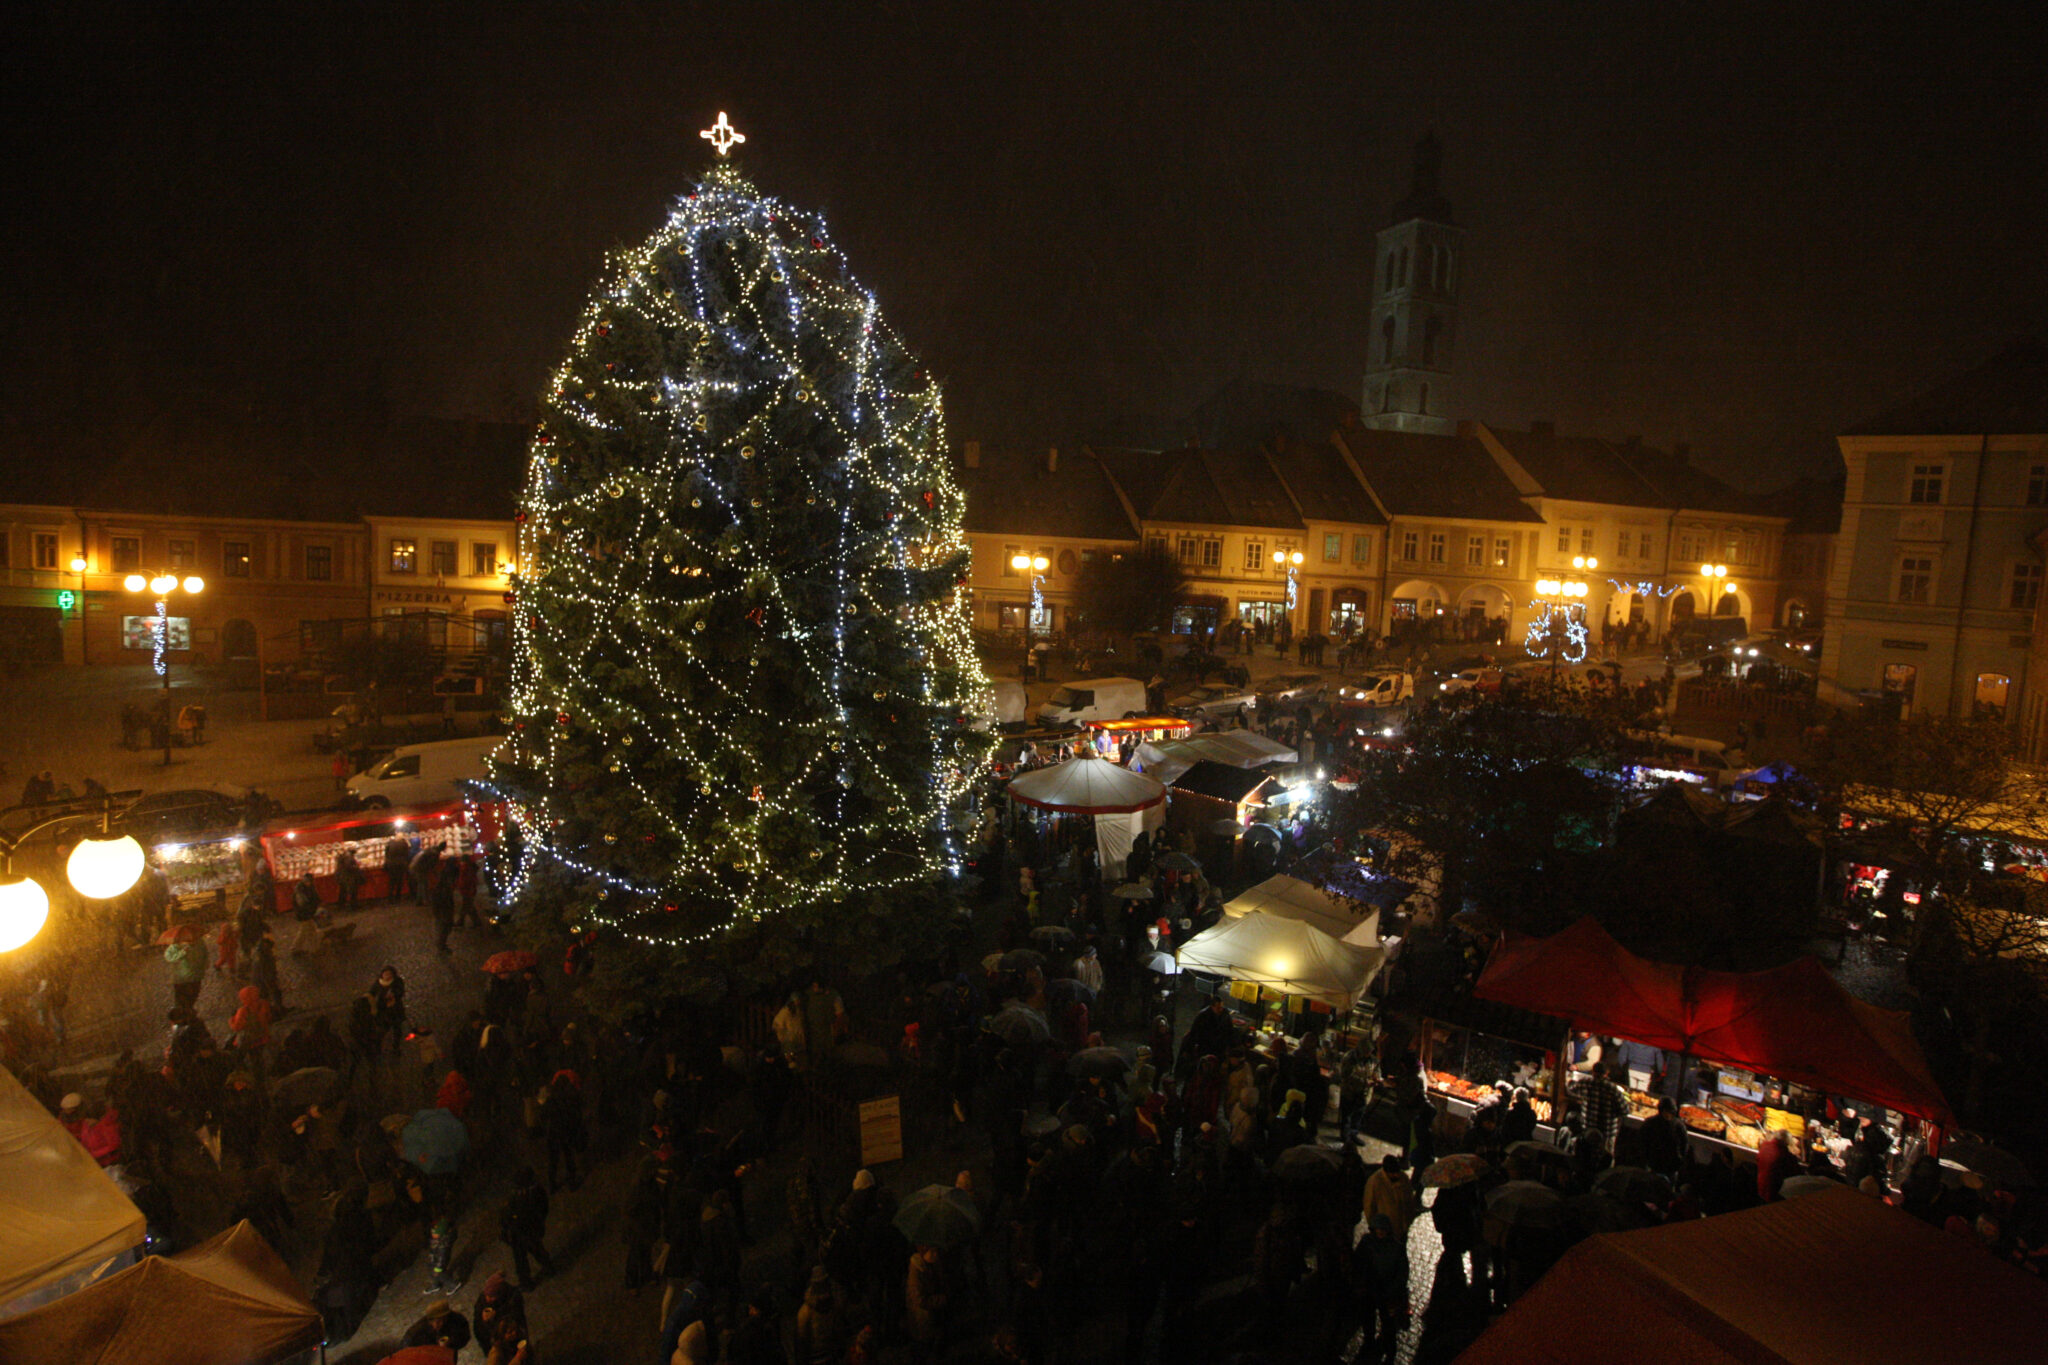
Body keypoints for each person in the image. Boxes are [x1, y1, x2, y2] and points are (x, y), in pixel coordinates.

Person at [500, 1166, 557, 1291]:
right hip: (518, 1231)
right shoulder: (520, 1193)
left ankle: (548, 1268)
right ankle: (526, 1282)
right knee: (520, 1258)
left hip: (529, 1230)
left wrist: (532, 1222)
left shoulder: (535, 1193)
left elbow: (541, 1210)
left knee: (536, 1250)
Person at [1566, 1060, 1628, 1154]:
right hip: (1607, 1133)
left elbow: (1570, 1090)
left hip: (1587, 1129)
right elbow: (1625, 1110)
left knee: (1586, 1155)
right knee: (1605, 1159)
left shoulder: (1585, 1082)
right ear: (1606, 1073)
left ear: (1593, 1072)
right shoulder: (1613, 1089)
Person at [1362, 1154, 1417, 1237]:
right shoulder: (1375, 1182)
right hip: (1383, 1231)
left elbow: (1409, 1201)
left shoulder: (1404, 1178)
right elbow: (1369, 1206)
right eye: (1393, 1173)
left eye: (1397, 1172)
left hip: (1401, 1230)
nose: (1396, 1175)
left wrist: (1408, 1222)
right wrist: (1374, 1227)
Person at [401, 1297, 472, 1352]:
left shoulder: (456, 1319)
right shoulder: (415, 1334)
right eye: (437, 1321)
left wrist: (450, 1343)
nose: (439, 1325)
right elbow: (406, 1353)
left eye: (443, 1320)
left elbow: (464, 1336)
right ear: (430, 1320)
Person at [163, 934, 208, 1012]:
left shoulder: (200, 943)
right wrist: (182, 953)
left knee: (193, 996)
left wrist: (205, 965)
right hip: (181, 979)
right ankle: (183, 1015)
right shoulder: (176, 946)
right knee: (181, 1000)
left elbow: (205, 954)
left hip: (196, 976)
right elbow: (169, 957)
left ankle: (188, 1010)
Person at [370, 966, 407, 1056]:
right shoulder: (378, 984)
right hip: (384, 1013)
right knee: (382, 1031)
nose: (387, 976)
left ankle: (396, 1047)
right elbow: (371, 994)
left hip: (396, 1011)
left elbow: (401, 992)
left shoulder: (397, 982)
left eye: (389, 974)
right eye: (385, 974)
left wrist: (394, 994)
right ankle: (377, 1048)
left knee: (397, 1031)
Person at [289, 875, 322, 953]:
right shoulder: (300, 890)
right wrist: (311, 908)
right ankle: (313, 948)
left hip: (308, 913)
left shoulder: (309, 887)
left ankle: (297, 948)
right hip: (304, 914)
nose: (309, 883)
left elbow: (315, 897)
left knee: (307, 930)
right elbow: (302, 904)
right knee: (308, 930)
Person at [432, 861, 458, 953]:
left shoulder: (441, 884)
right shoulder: (444, 888)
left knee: (443, 927)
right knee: (444, 927)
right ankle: (441, 945)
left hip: (442, 909)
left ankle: (441, 944)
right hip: (444, 910)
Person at [383, 832, 412, 901]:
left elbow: (386, 854)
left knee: (392, 882)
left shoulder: (390, 843)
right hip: (400, 865)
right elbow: (407, 853)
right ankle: (398, 897)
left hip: (391, 865)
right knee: (399, 881)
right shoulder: (404, 844)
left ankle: (390, 897)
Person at [334, 847, 362, 913]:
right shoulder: (348, 857)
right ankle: (353, 905)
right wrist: (356, 866)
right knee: (353, 891)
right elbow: (349, 867)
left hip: (342, 877)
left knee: (343, 892)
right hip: (348, 877)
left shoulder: (344, 856)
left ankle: (341, 905)